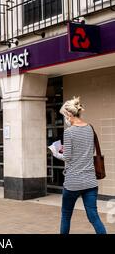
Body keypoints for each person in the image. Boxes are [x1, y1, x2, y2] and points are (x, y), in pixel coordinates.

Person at [59, 97, 107, 234]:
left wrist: (56, 152)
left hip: (73, 182)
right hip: (90, 182)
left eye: (64, 115)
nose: (65, 118)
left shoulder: (69, 132)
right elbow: (89, 152)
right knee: (94, 217)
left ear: (69, 114)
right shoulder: (90, 128)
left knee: (66, 216)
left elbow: (67, 157)